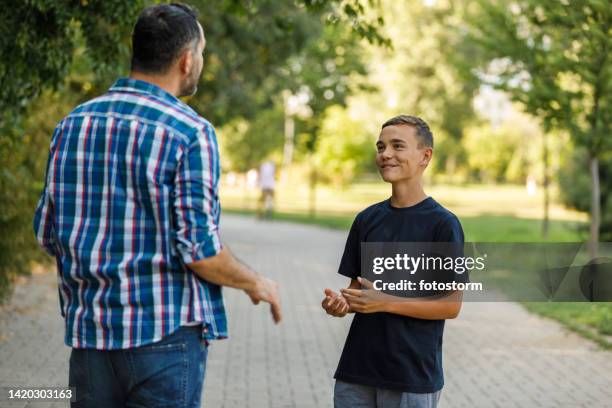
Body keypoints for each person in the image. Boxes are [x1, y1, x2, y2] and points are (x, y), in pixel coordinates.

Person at [33, 3, 281, 407]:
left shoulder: (72, 125)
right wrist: (256, 282)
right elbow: (200, 252)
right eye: (201, 52)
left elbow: (47, 231)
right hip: (164, 341)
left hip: (90, 335)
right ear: (186, 61)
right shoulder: (189, 132)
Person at [321, 115, 466, 408]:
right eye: (381, 146)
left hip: (410, 377)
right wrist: (341, 304)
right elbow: (357, 294)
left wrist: (385, 302)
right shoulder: (366, 219)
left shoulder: (443, 225)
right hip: (356, 373)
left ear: (425, 156)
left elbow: (451, 306)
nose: (386, 154)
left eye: (397, 146)